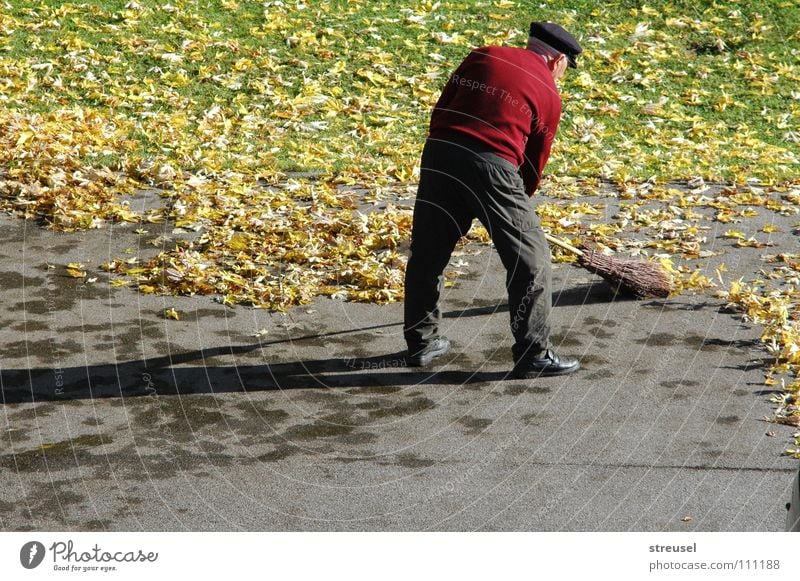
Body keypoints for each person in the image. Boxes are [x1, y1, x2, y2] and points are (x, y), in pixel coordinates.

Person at [403, 21, 582, 378]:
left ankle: (422, 344)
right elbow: (534, 159)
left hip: (440, 152)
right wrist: (516, 206)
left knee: (428, 252)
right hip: (494, 166)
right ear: (558, 60)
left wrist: (445, 150)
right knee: (532, 261)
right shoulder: (548, 91)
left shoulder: (484, 55)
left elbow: (444, 104)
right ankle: (534, 354)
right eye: (566, 68)